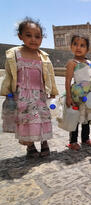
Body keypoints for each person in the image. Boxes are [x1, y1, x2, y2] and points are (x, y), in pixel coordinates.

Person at [0, 17, 59, 158]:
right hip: (22, 95)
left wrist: (53, 91)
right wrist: (7, 92)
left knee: (43, 118)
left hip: (40, 94)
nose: (33, 39)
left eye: (37, 36)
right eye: (29, 35)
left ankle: (44, 142)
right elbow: (9, 75)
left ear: (42, 39)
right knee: (27, 121)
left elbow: (50, 75)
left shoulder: (43, 56)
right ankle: (31, 146)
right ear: (20, 36)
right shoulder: (14, 55)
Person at [65, 35, 91, 150]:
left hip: (87, 95)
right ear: (71, 46)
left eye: (82, 45)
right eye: (75, 44)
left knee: (86, 118)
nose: (78, 47)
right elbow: (68, 80)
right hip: (76, 95)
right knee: (75, 118)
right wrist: (69, 97)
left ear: (87, 49)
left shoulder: (89, 62)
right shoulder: (72, 62)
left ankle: (85, 138)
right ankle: (73, 141)